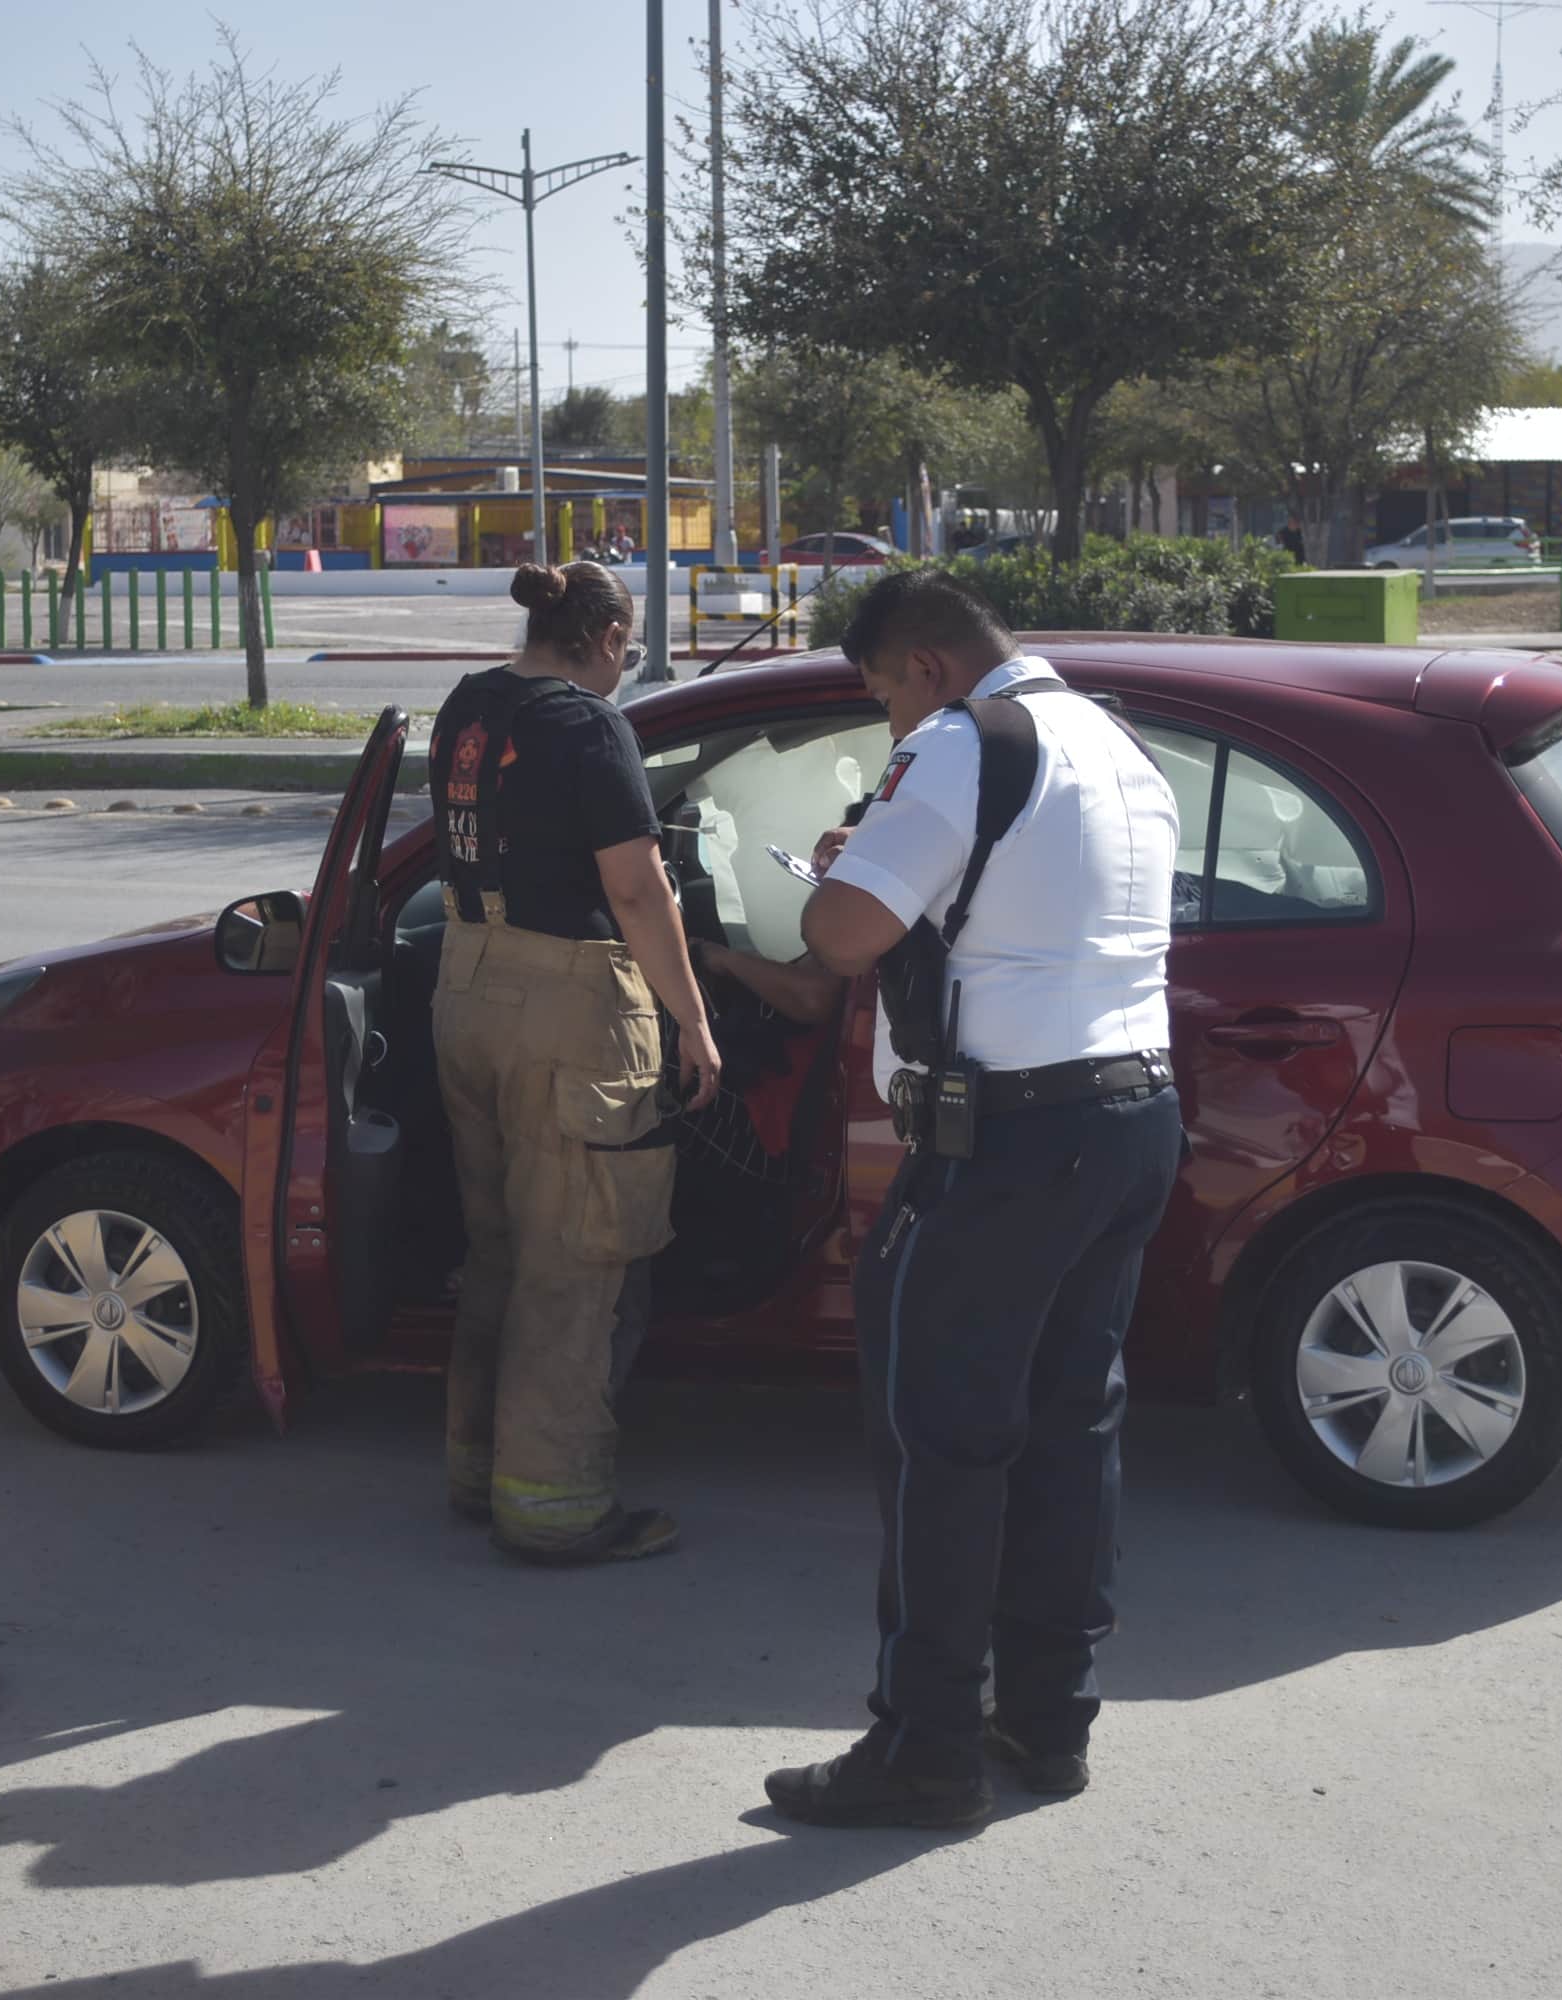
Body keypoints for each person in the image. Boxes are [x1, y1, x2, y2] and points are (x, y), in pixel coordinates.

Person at [764, 570, 1185, 1828]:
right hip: (1131, 1119)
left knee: (943, 1444)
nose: (885, 721)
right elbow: (1018, 909)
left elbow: (839, 936)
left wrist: (845, 869)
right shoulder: (1114, 741)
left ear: (928, 668)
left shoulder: (956, 747)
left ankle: (925, 1747)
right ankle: (1047, 1721)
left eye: (881, 692)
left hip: (1008, 1143)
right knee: (1070, 1427)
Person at [430, 560, 722, 1566]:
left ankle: (478, 1471)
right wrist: (692, 1019)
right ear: (602, 638)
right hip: (565, 1009)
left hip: (465, 985)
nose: (626, 666)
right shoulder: (590, 726)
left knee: (499, 1252)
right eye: (630, 649)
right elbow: (638, 892)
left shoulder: (468, 704)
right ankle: (553, 1505)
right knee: (577, 1263)